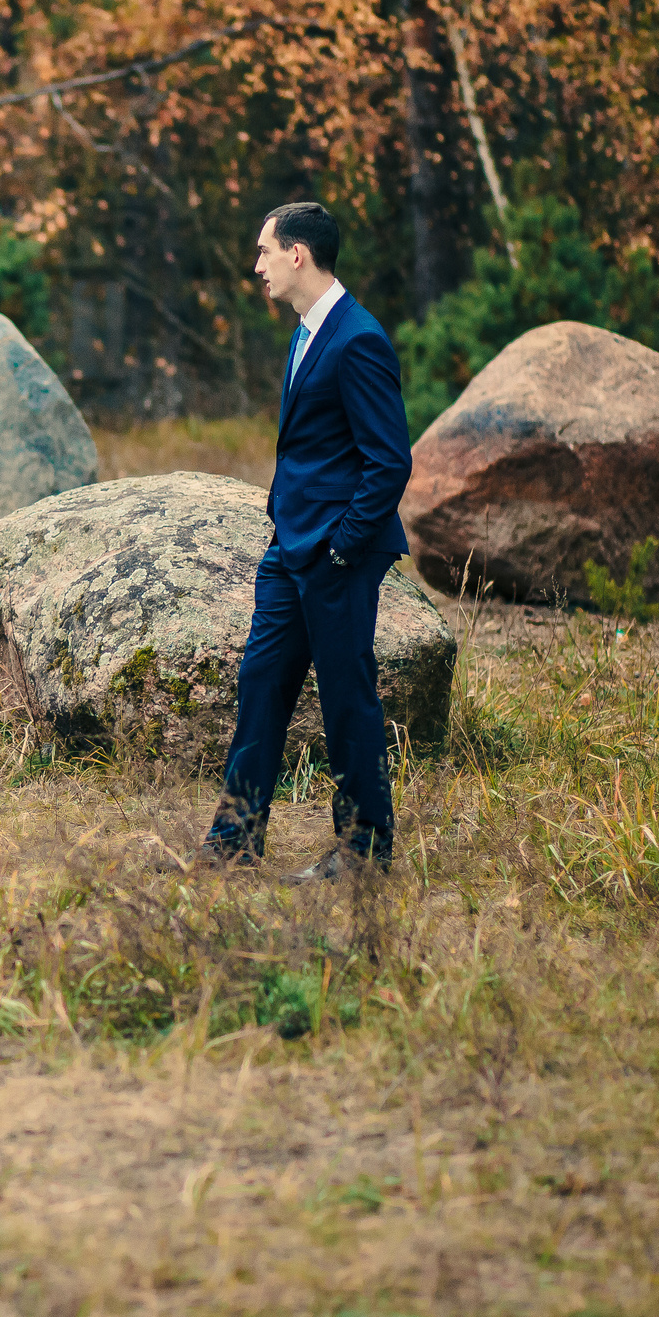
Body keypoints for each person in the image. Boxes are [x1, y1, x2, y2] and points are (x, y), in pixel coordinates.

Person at [204, 203, 413, 880]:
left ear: (299, 254)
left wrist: (344, 545)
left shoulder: (357, 339)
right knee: (261, 683)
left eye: (265, 251)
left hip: (336, 555)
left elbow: (390, 460)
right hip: (289, 548)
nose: (257, 265)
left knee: (346, 696)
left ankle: (365, 851)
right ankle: (233, 841)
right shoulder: (304, 333)